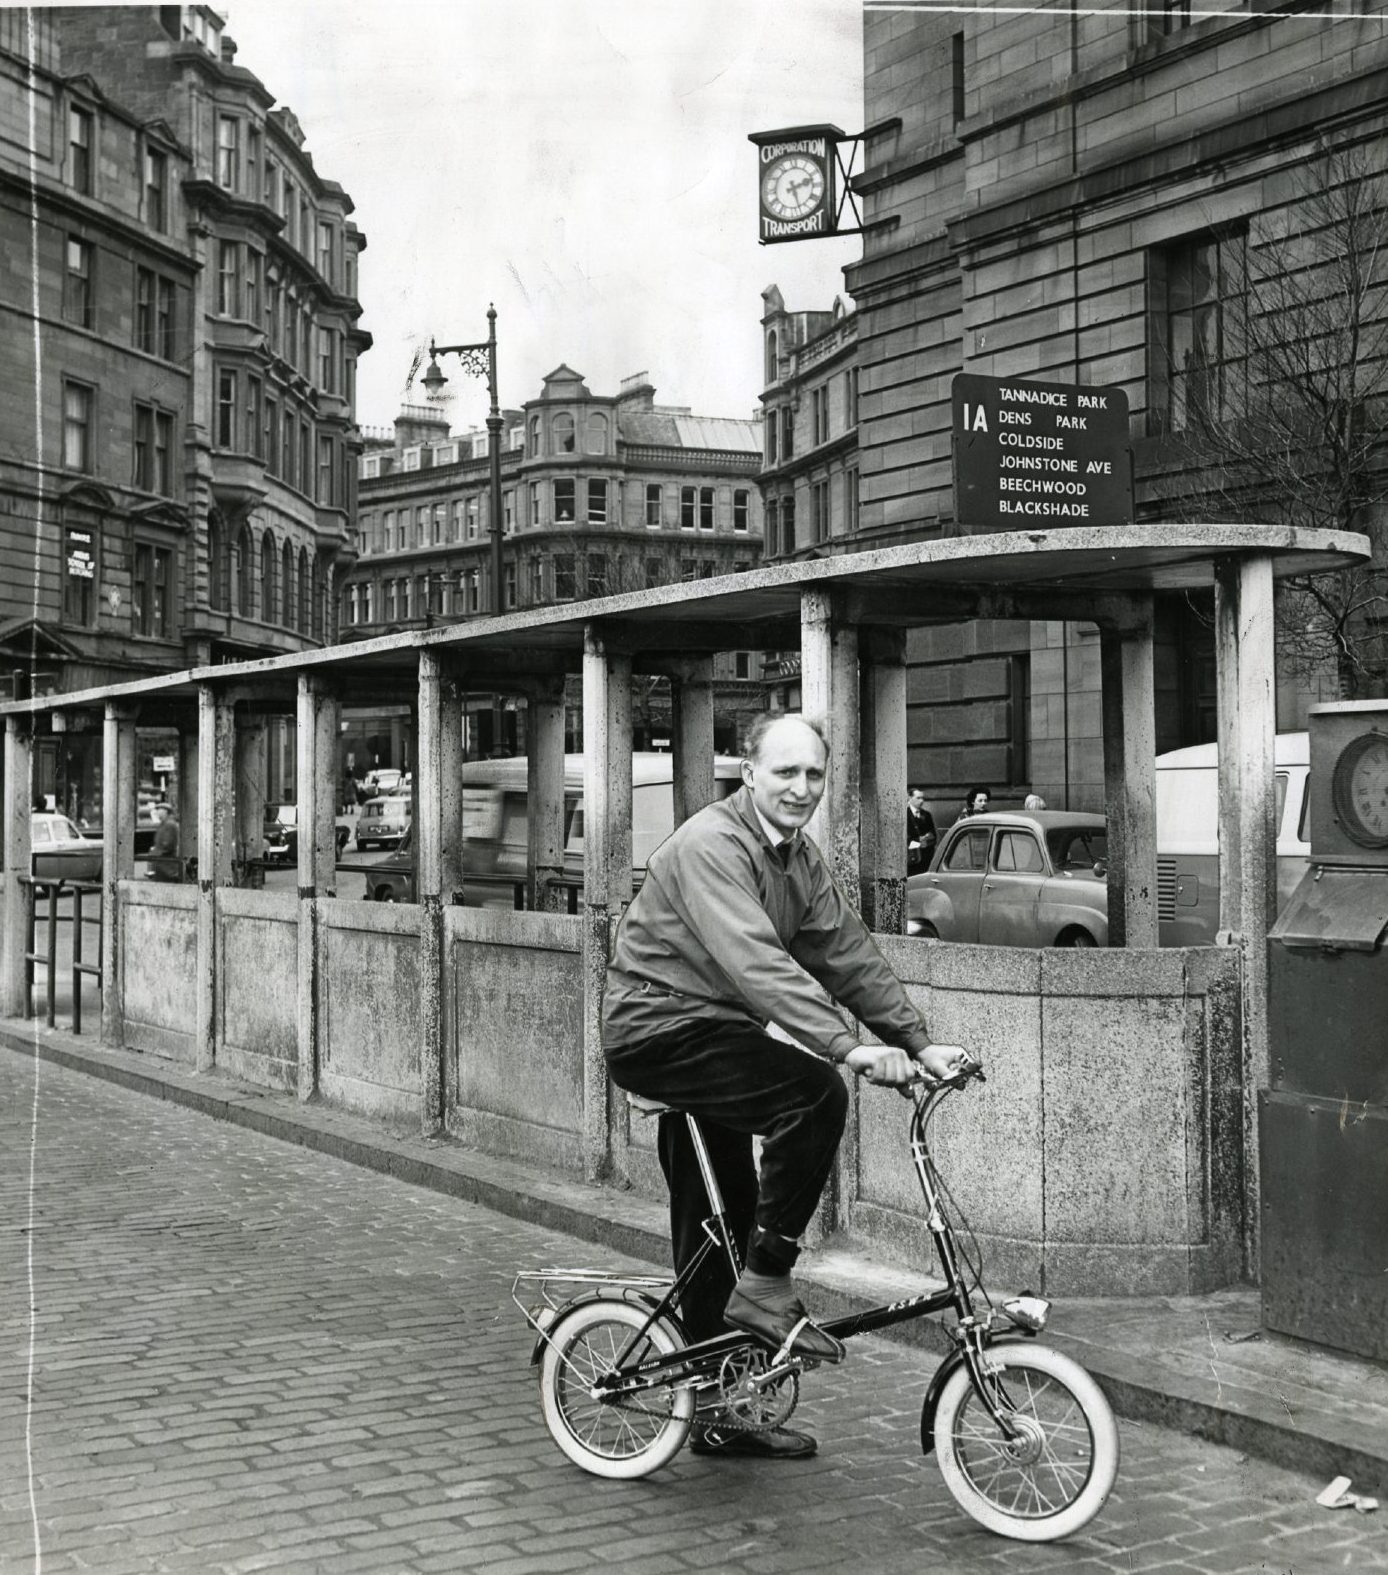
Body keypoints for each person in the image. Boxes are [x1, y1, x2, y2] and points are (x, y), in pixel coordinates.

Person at [603, 713, 965, 1460]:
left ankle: (717, 1406)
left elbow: (847, 954)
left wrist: (919, 1042)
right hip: (657, 1029)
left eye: (814, 775)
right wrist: (847, 1049)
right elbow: (756, 963)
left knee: (721, 1220)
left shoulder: (798, 859)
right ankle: (768, 1285)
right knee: (815, 1093)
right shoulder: (713, 845)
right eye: (786, 773)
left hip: (715, 1032)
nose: (802, 788)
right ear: (749, 772)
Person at [147, 802, 181, 882]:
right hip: (162, 865)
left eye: (159, 809)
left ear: (165, 811)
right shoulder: (164, 824)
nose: (157, 812)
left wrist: (155, 852)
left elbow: (168, 845)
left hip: (167, 866)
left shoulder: (169, 825)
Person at [906, 786, 936, 872]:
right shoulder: (904, 815)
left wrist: (927, 839)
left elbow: (934, 835)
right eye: (918, 798)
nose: (922, 801)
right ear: (910, 798)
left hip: (926, 858)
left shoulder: (927, 815)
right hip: (911, 859)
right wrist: (919, 841)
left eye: (922, 798)